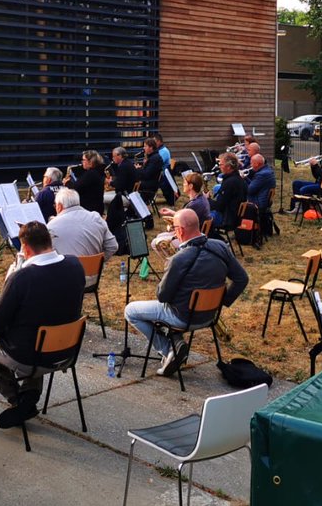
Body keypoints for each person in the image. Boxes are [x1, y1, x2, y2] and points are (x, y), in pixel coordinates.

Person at [0, 221, 85, 428]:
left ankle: (18, 398)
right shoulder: (75, 265)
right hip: (66, 351)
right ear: (50, 241)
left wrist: (9, 281)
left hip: (28, 356)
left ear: (25, 248)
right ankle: (30, 393)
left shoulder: (22, 278)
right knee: (37, 330)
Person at [125, 209, 248, 377]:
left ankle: (169, 349)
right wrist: (222, 301)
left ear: (180, 230)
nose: (173, 231)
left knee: (130, 311)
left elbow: (162, 297)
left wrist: (168, 271)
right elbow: (242, 279)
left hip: (182, 318)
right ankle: (175, 343)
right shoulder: (220, 246)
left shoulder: (178, 259)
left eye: (174, 228)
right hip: (210, 316)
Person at [48, 187, 117, 260]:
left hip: (67, 270)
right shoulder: (96, 217)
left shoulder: (51, 226)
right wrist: (98, 262)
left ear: (59, 206)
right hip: (93, 270)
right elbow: (113, 246)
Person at [290, 142, 322, 211]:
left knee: (303, 189)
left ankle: (305, 207)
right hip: (319, 184)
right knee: (296, 183)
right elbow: (317, 176)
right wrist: (312, 167)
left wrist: (316, 165)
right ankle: (298, 206)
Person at [106, 146, 138, 249]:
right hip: (128, 194)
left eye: (114, 156)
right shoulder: (127, 164)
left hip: (125, 196)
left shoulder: (124, 167)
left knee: (102, 197)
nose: (112, 158)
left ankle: (109, 221)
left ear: (120, 156)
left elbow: (119, 185)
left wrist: (110, 182)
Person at [210, 152, 249, 231]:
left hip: (228, 219)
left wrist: (206, 200)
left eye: (221, 164)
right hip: (234, 215)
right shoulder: (239, 179)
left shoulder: (229, 183)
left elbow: (219, 207)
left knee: (199, 216)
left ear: (228, 167)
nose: (219, 167)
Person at [69, 149, 106, 215]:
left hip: (88, 210)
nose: (82, 162)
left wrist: (67, 183)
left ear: (90, 162)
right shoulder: (98, 171)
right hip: (97, 208)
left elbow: (76, 188)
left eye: (84, 160)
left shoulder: (91, 174)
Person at [153, 133, 176, 206]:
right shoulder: (159, 150)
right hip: (159, 173)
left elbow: (157, 164)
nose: (153, 144)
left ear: (159, 141)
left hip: (163, 175)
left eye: (154, 142)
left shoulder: (164, 151)